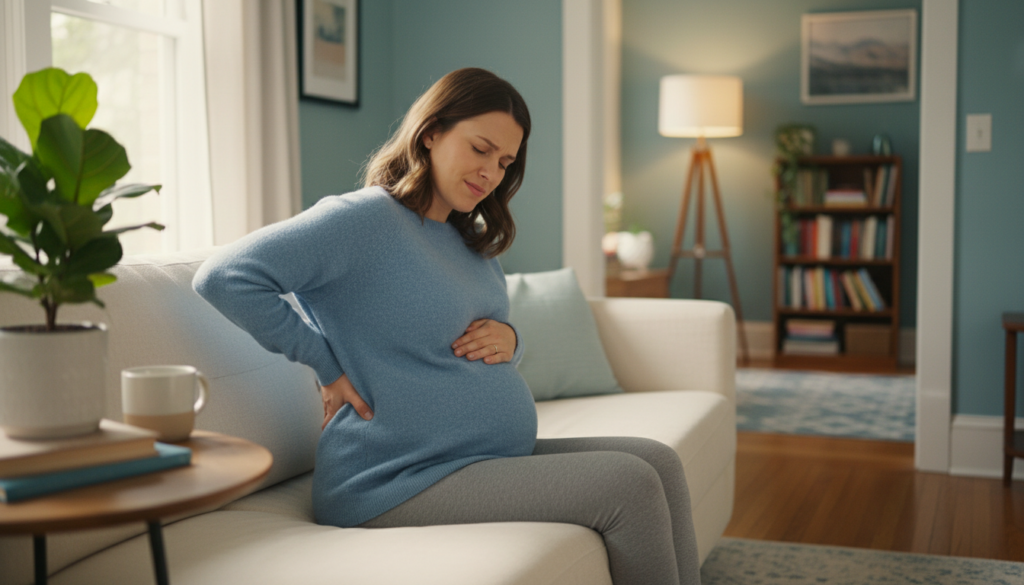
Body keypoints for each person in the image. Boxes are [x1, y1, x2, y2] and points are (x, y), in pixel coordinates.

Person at [193, 67, 701, 585]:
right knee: (629, 483)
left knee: (657, 459)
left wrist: (513, 340)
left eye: (504, 162)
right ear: (431, 132)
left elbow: (483, 340)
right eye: (480, 148)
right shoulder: (364, 220)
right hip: (395, 477)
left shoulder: (467, 237)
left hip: (475, 458)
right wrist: (325, 364)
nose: (491, 172)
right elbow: (226, 277)